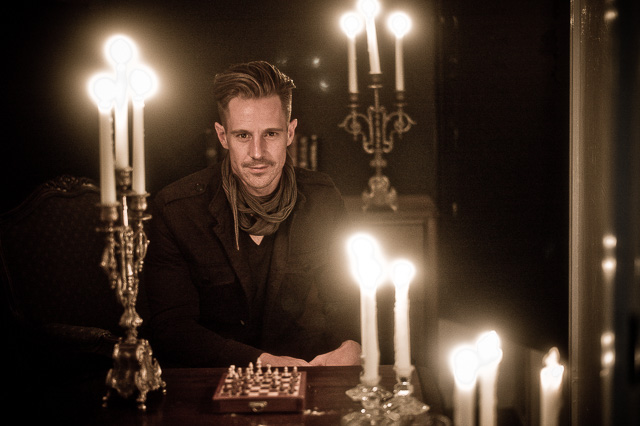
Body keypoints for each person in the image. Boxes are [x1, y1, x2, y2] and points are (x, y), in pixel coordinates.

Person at [144, 61, 361, 368]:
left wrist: (353, 342)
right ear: (222, 136)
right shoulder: (177, 209)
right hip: (214, 381)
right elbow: (171, 328)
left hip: (308, 372)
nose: (257, 153)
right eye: (243, 135)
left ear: (290, 132)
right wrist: (260, 361)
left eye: (270, 134)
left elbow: (346, 298)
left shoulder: (322, 198)